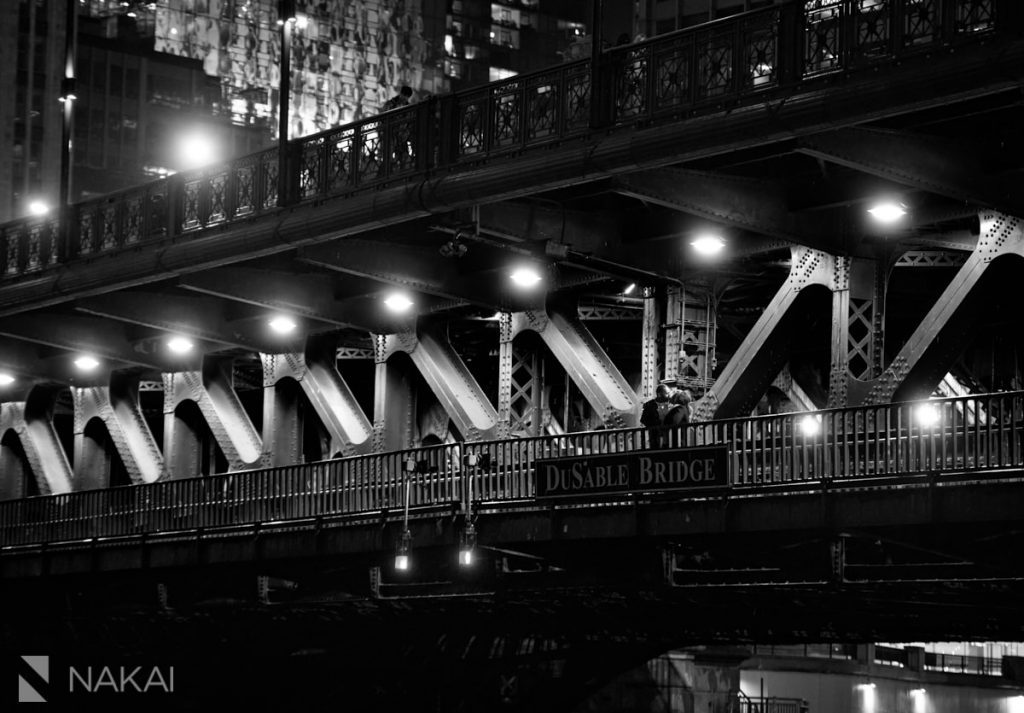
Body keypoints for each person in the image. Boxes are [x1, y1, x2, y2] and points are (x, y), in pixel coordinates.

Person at [640, 383, 676, 449]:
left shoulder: (671, 404)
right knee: (656, 452)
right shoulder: (649, 405)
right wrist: (655, 425)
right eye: (667, 393)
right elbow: (643, 420)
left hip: (668, 435)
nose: (669, 395)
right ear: (659, 394)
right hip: (655, 435)